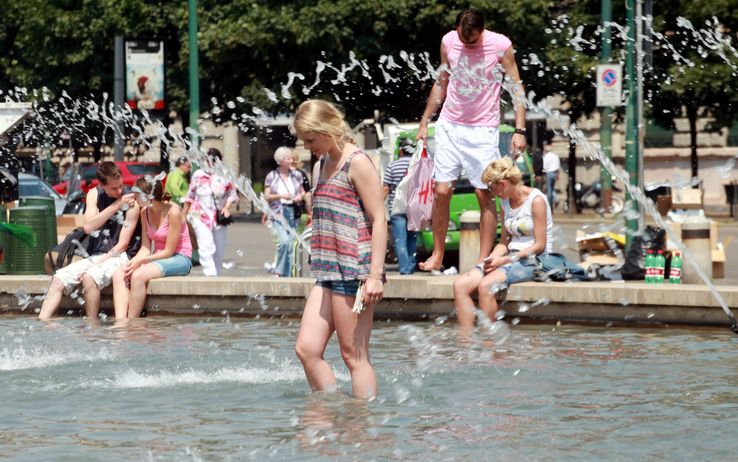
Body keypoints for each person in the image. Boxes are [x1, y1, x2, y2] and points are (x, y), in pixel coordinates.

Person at [416, 9, 527, 271]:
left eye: (473, 41)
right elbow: (441, 82)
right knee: (442, 191)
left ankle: (482, 259)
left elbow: (516, 88)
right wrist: (424, 121)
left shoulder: (500, 45)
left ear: (483, 31)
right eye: (463, 39)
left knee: (484, 193)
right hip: (450, 125)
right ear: (456, 29)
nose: (467, 44)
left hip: (483, 129)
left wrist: (520, 131)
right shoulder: (448, 41)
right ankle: (438, 254)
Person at [290, 99, 387, 399]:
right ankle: (334, 408)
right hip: (327, 269)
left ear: (328, 129)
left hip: (354, 272)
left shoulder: (356, 162)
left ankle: (364, 422)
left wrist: (374, 276)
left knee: (353, 357)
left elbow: (379, 218)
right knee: (306, 349)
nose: (307, 147)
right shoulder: (321, 164)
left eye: (310, 139)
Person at [453, 157, 553, 327]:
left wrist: (505, 260)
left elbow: (539, 245)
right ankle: (466, 342)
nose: (491, 192)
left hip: (533, 261)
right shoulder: (504, 201)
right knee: (460, 285)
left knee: (485, 286)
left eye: (492, 187)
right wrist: (491, 260)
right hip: (510, 259)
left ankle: (490, 342)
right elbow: (504, 242)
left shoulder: (536, 201)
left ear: (503, 183)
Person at [39, 162, 141, 320]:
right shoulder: (94, 194)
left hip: (120, 255)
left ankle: (92, 326)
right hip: (97, 254)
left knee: (89, 277)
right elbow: (88, 227)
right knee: (58, 279)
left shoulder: (131, 203)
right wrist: (115, 206)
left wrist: (94, 264)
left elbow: (122, 246)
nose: (120, 191)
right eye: (114, 188)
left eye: (121, 185)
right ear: (102, 185)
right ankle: (43, 325)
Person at [112, 177, 192, 318]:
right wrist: (134, 261)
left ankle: (132, 322)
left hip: (180, 258)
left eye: (136, 193)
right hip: (157, 258)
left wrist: (143, 261)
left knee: (138, 275)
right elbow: (145, 247)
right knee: (120, 273)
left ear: (147, 196)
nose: (133, 196)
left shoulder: (173, 213)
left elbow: (169, 251)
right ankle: (121, 322)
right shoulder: (144, 212)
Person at [182, 148, 238, 276]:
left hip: (218, 217)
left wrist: (226, 207)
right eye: (207, 160)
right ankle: (210, 275)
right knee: (206, 246)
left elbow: (233, 194)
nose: (209, 163)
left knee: (219, 250)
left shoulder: (224, 175)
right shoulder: (198, 175)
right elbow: (190, 195)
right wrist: (183, 215)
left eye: (213, 161)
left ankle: (216, 275)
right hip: (200, 216)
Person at [264, 147, 307, 277]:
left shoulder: (297, 175)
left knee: (291, 244)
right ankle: (279, 271)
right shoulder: (272, 176)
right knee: (283, 241)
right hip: (277, 213)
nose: (292, 160)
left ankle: (286, 275)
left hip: (292, 212)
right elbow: (267, 196)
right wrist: (281, 196)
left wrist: (300, 197)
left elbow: (302, 192)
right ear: (281, 160)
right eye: (288, 158)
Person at [383, 138, 417, 275]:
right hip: (414, 208)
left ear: (401, 150)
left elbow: (386, 189)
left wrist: (378, 207)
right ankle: (411, 266)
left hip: (397, 208)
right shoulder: (417, 165)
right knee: (412, 238)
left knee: (400, 240)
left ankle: (404, 269)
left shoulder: (392, 166)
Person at [542, 141, 561, 209]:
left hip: (549, 173)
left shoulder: (546, 156)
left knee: (549, 190)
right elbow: (558, 166)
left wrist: (544, 176)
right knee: (552, 188)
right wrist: (558, 175)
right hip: (555, 173)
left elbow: (544, 168)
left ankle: (550, 204)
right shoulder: (555, 156)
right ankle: (554, 200)